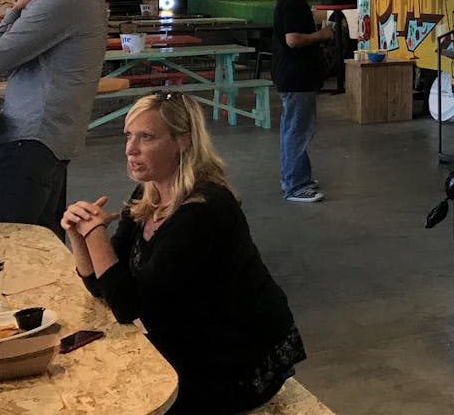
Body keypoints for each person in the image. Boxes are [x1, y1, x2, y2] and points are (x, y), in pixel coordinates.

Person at [63, 93, 306, 414]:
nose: (130, 149)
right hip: (191, 338)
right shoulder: (149, 193)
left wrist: (95, 233)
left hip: (236, 358)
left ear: (184, 142)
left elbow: (126, 305)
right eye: (128, 136)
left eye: (145, 137)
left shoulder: (203, 210)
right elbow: (104, 287)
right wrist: (78, 236)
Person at [0, 0, 108, 236]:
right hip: (45, 137)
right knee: (42, 241)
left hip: (32, 139)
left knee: (10, 241)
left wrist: (14, 11)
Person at [271, 0, 335, 203]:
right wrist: (322, 34)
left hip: (296, 76)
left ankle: (297, 176)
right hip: (296, 77)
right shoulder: (293, 3)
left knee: (296, 129)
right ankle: (295, 185)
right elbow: (293, 40)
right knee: (297, 131)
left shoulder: (292, 2)